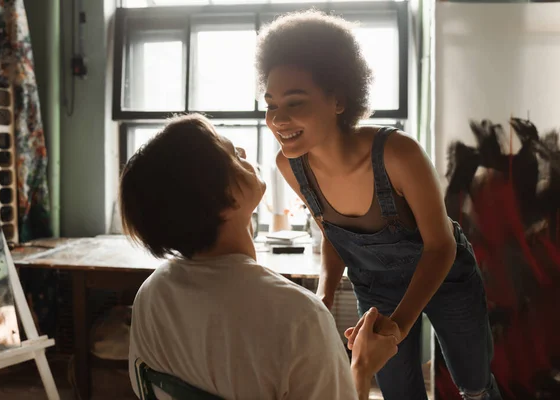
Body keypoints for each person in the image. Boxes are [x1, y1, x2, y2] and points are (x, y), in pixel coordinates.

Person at [255, 10, 502, 400]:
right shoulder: (290, 165)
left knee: (473, 384)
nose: (278, 119)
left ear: (338, 100)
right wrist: (325, 292)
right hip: (375, 287)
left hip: (446, 277)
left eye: (295, 103)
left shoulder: (399, 155)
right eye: (270, 105)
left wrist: (399, 326)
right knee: (397, 392)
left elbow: (441, 247)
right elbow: (330, 234)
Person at [120, 114, 398, 400]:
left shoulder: (151, 295)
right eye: (231, 154)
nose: (243, 153)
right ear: (225, 201)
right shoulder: (299, 317)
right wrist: (362, 367)